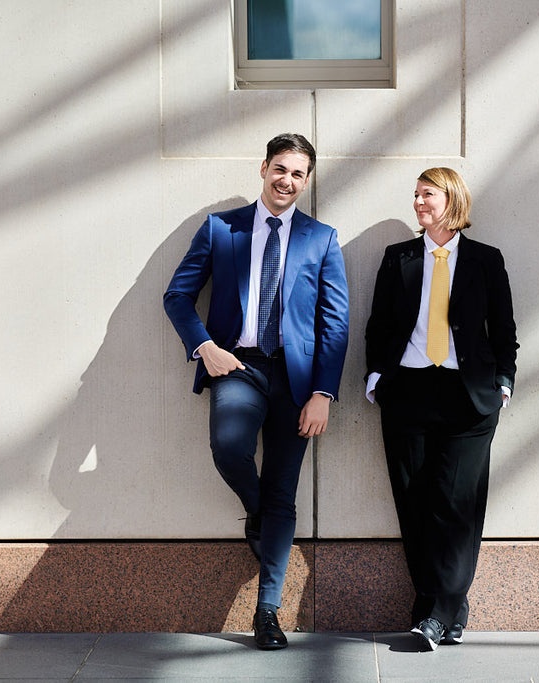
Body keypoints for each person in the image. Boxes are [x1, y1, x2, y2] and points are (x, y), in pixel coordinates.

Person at [163, 133, 349, 650]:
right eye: (280, 169)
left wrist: (323, 394)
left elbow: (335, 325)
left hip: (296, 380)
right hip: (237, 365)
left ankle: (268, 612)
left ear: (306, 181)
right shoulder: (221, 229)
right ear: (263, 168)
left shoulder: (322, 238)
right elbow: (178, 296)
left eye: (298, 174)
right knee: (229, 447)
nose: (287, 181)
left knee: (285, 488)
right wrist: (205, 347)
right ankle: (258, 509)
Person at [364, 167, 517, 651]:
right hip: (407, 392)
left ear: (451, 199)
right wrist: (376, 379)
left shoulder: (485, 261)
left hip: (467, 396)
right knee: (414, 504)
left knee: (456, 506)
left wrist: (504, 383)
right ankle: (447, 609)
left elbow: (504, 329)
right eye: (414, 194)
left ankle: (432, 614)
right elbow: (380, 324)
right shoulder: (400, 258)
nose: (417, 202)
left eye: (426, 194)